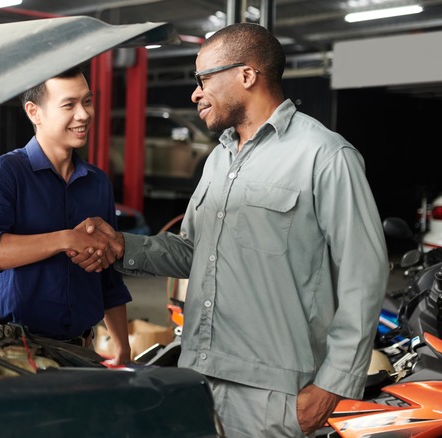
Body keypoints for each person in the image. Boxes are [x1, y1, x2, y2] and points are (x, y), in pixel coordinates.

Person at [71, 23, 388, 437]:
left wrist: (333, 384)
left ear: (246, 74)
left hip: (275, 394)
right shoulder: (220, 159)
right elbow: (192, 251)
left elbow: (364, 277)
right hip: (200, 374)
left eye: (203, 78)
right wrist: (119, 245)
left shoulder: (324, 156)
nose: (195, 92)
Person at [0, 65, 132, 365]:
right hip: (16, 352)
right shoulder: (8, 172)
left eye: (88, 101)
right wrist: (65, 239)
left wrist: (123, 349)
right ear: (34, 112)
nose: (83, 114)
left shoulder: (97, 183)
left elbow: (108, 276)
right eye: (69, 105)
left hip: (80, 351)